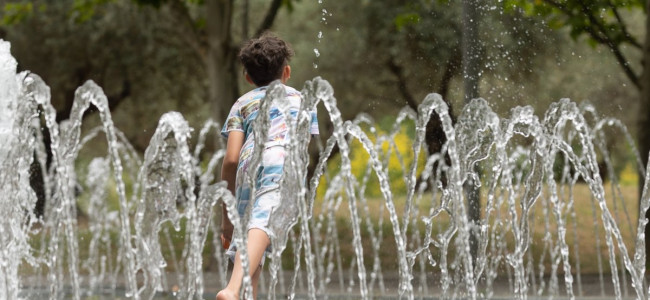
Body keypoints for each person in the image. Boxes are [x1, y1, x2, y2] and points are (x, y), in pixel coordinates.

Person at [217, 32, 319, 300]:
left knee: (251, 238)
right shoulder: (301, 100)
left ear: (248, 78)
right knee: (262, 223)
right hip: (280, 161)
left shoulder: (241, 104)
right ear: (287, 71)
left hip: (247, 167)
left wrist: (226, 220)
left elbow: (230, 159)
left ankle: (240, 294)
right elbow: (301, 145)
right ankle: (231, 289)